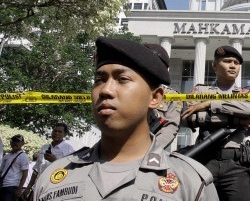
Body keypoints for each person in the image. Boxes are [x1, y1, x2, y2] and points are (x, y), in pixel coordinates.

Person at [34, 37, 218, 200]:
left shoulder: (190, 182)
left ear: (155, 98)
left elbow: (171, 126)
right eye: (100, 80)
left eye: (122, 79)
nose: (105, 90)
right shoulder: (54, 177)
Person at [181, 45, 250, 201]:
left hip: (236, 164)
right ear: (214, 65)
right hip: (204, 160)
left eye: (236, 63)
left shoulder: (247, 93)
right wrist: (237, 119)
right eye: (227, 61)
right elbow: (186, 118)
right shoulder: (200, 91)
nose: (232, 66)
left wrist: (210, 104)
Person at [145, 43, 183, 150]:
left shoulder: (172, 96)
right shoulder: (127, 88)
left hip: (151, 148)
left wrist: (151, 148)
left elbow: (170, 127)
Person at [22, 123, 74, 199]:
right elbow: (36, 169)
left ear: (65, 134)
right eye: (55, 131)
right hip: (37, 188)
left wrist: (55, 161)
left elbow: (70, 171)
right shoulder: (44, 147)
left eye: (60, 132)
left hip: (53, 191)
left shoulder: (69, 150)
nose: (56, 133)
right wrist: (28, 187)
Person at [0, 134, 29, 201]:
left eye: (17, 141)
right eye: (13, 141)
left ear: (22, 143)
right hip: (2, 186)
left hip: (13, 187)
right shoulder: (6, 156)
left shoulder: (23, 156)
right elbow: (1, 171)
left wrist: (19, 189)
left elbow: (25, 174)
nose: (14, 143)